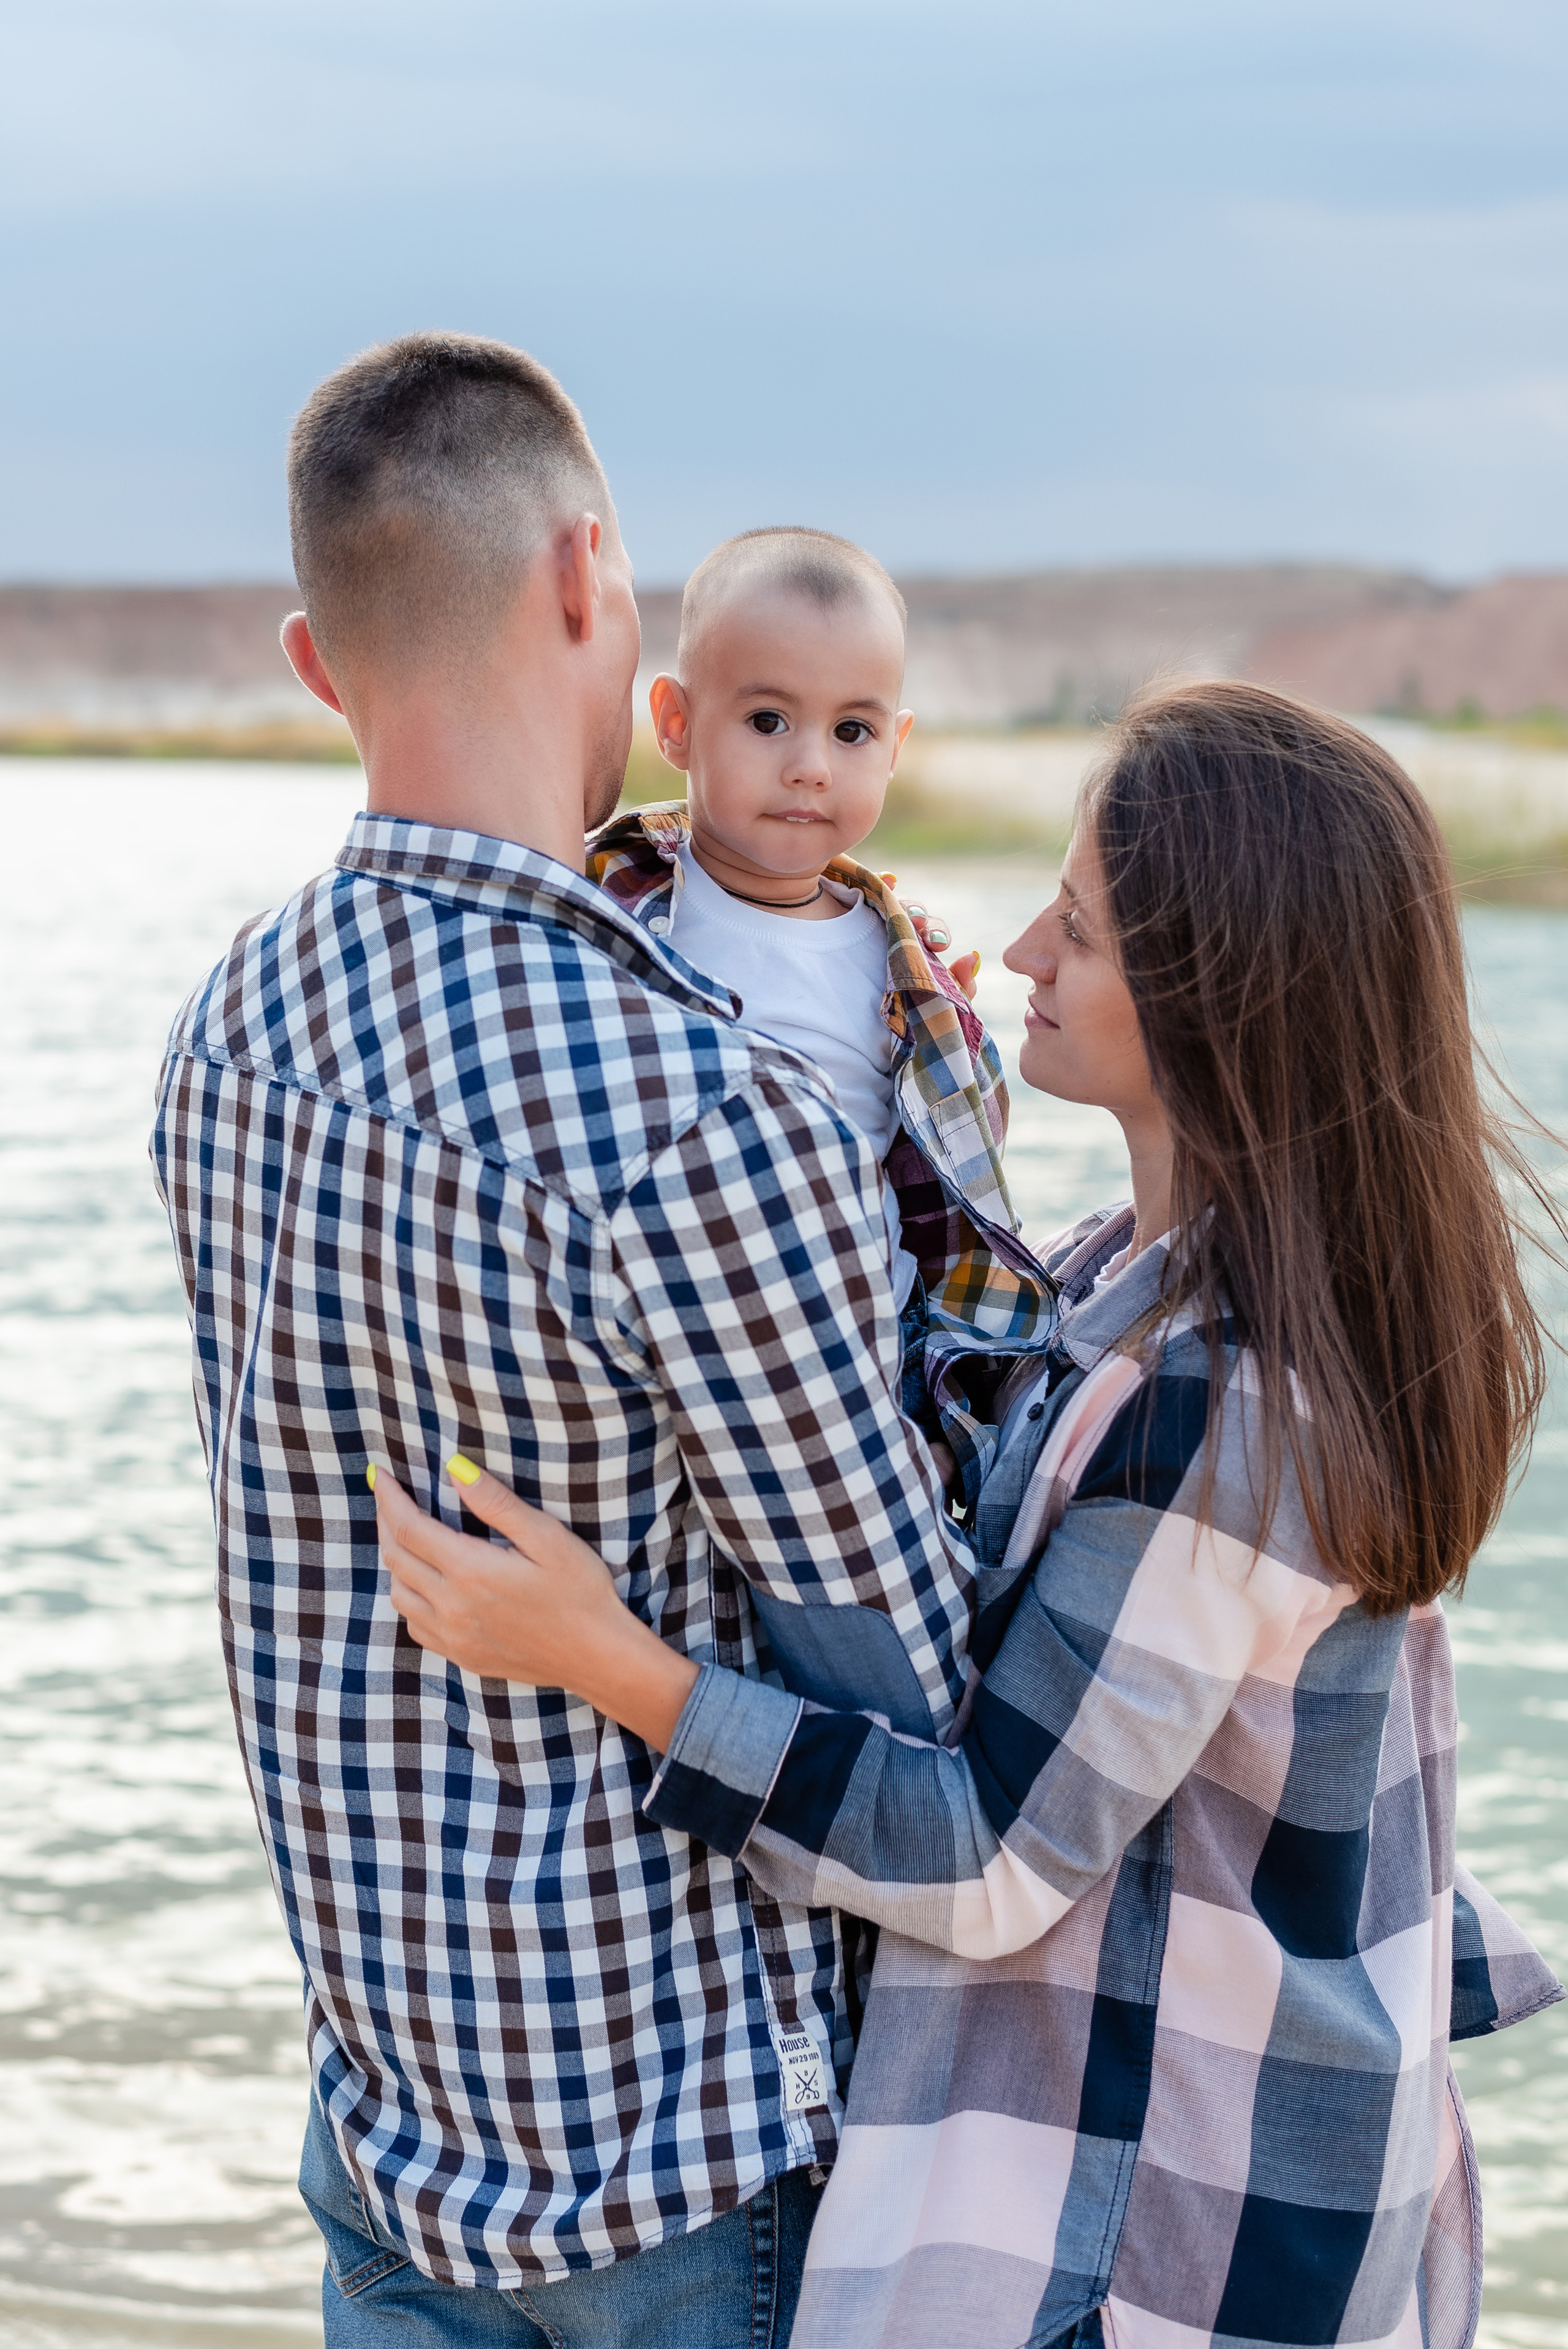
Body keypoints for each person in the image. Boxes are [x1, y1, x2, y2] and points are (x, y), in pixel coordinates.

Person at [373, 681, 1565, 2349]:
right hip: (1250, 2189)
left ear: (1218, 994)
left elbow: (998, 1855)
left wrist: (610, 1661)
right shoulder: (1113, 1287)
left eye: (1075, 928)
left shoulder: (1226, 1407)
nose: (1017, 956)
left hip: (1154, 2249)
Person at [149, 331, 997, 2347]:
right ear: (585, 583)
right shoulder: (697, 1116)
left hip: (387, 2152)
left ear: (316, 660)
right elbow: (923, 1718)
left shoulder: (224, 1038)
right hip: (690, 2176)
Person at [589, 523, 1055, 1484]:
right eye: (768, 721)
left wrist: (956, 1031)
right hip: (666, 1350)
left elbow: (958, 1161)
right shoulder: (622, 914)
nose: (811, 765)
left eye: (853, 731)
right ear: (674, 722)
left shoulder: (903, 963)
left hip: (850, 1384)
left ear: (896, 744)